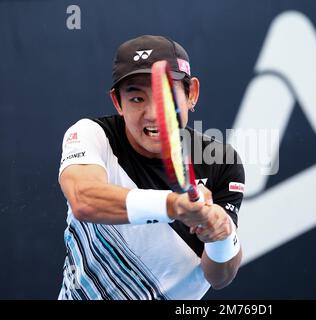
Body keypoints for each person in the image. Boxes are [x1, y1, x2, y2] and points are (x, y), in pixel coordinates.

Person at [57, 35, 245, 300]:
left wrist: (222, 236)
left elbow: (220, 277)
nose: (154, 113)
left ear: (192, 94)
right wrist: (175, 206)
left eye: (166, 97)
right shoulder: (92, 135)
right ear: (117, 102)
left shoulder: (221, 162)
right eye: (136, 99)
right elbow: (84, 200)